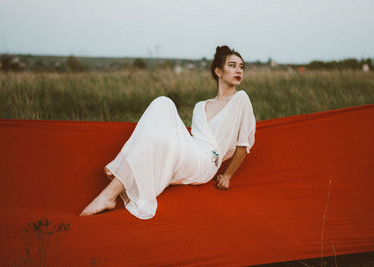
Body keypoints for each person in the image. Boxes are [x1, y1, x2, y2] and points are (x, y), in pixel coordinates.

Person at [79, 45, 256, 219]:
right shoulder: (200, 107)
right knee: (163, 103)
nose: (238, 70)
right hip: (192, 150)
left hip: (206, 162)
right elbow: (193, 138)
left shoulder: (241, 99)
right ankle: (117, 181)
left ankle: (111, 189)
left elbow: (242, 145)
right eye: (232, 65)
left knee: (163, 141)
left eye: (241, 67)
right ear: (218, 71)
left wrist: (227, 175)